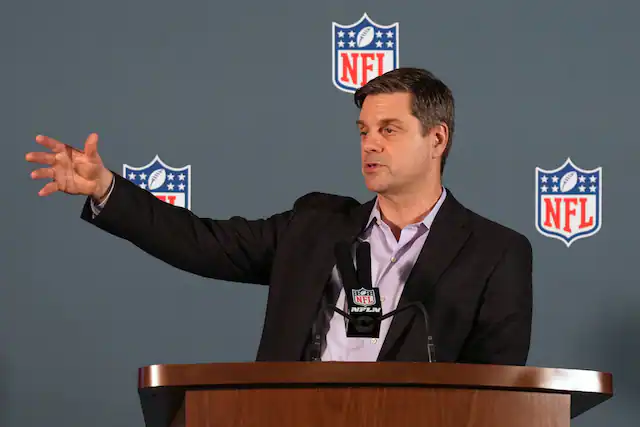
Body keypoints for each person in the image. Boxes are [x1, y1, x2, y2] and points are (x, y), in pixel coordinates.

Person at [25, 67, 533, 365]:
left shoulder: (496, 253)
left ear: (437, 139)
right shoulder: (315, 225)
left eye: (389, 129)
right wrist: (106, 188)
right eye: (363, 131)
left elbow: (498, 394)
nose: (370, 144)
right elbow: (201, 242)